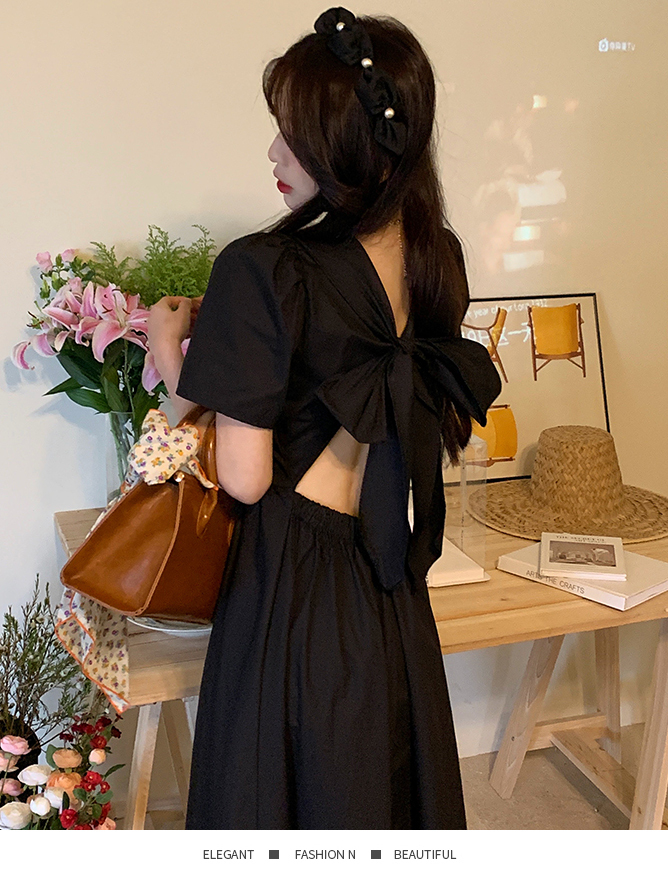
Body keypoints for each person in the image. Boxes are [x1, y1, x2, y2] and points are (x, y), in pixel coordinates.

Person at [147, 7, 501, 830]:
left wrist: (169, 358)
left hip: (290, 585)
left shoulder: (264, 268)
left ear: (350, 144)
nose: (274, 153)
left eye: (294, 135)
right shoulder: (435, 256)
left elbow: (244, 476)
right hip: (386, 576)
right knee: (377, 788)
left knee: (275, 800)